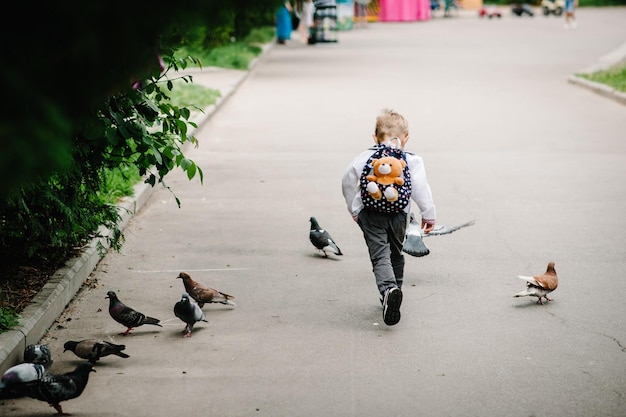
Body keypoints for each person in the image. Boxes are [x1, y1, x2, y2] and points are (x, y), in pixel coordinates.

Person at [341, 109, 436, 326]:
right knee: (395, 252)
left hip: (371, 214)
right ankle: (396, 291)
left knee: (379, 255)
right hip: (399, 216)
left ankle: (388, 290)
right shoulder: (412, 160)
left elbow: (347, 182)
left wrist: (354, 209)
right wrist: (428, 214)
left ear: (375, 138)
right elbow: (421, 188)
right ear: (406, 138)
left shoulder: (365, 157)